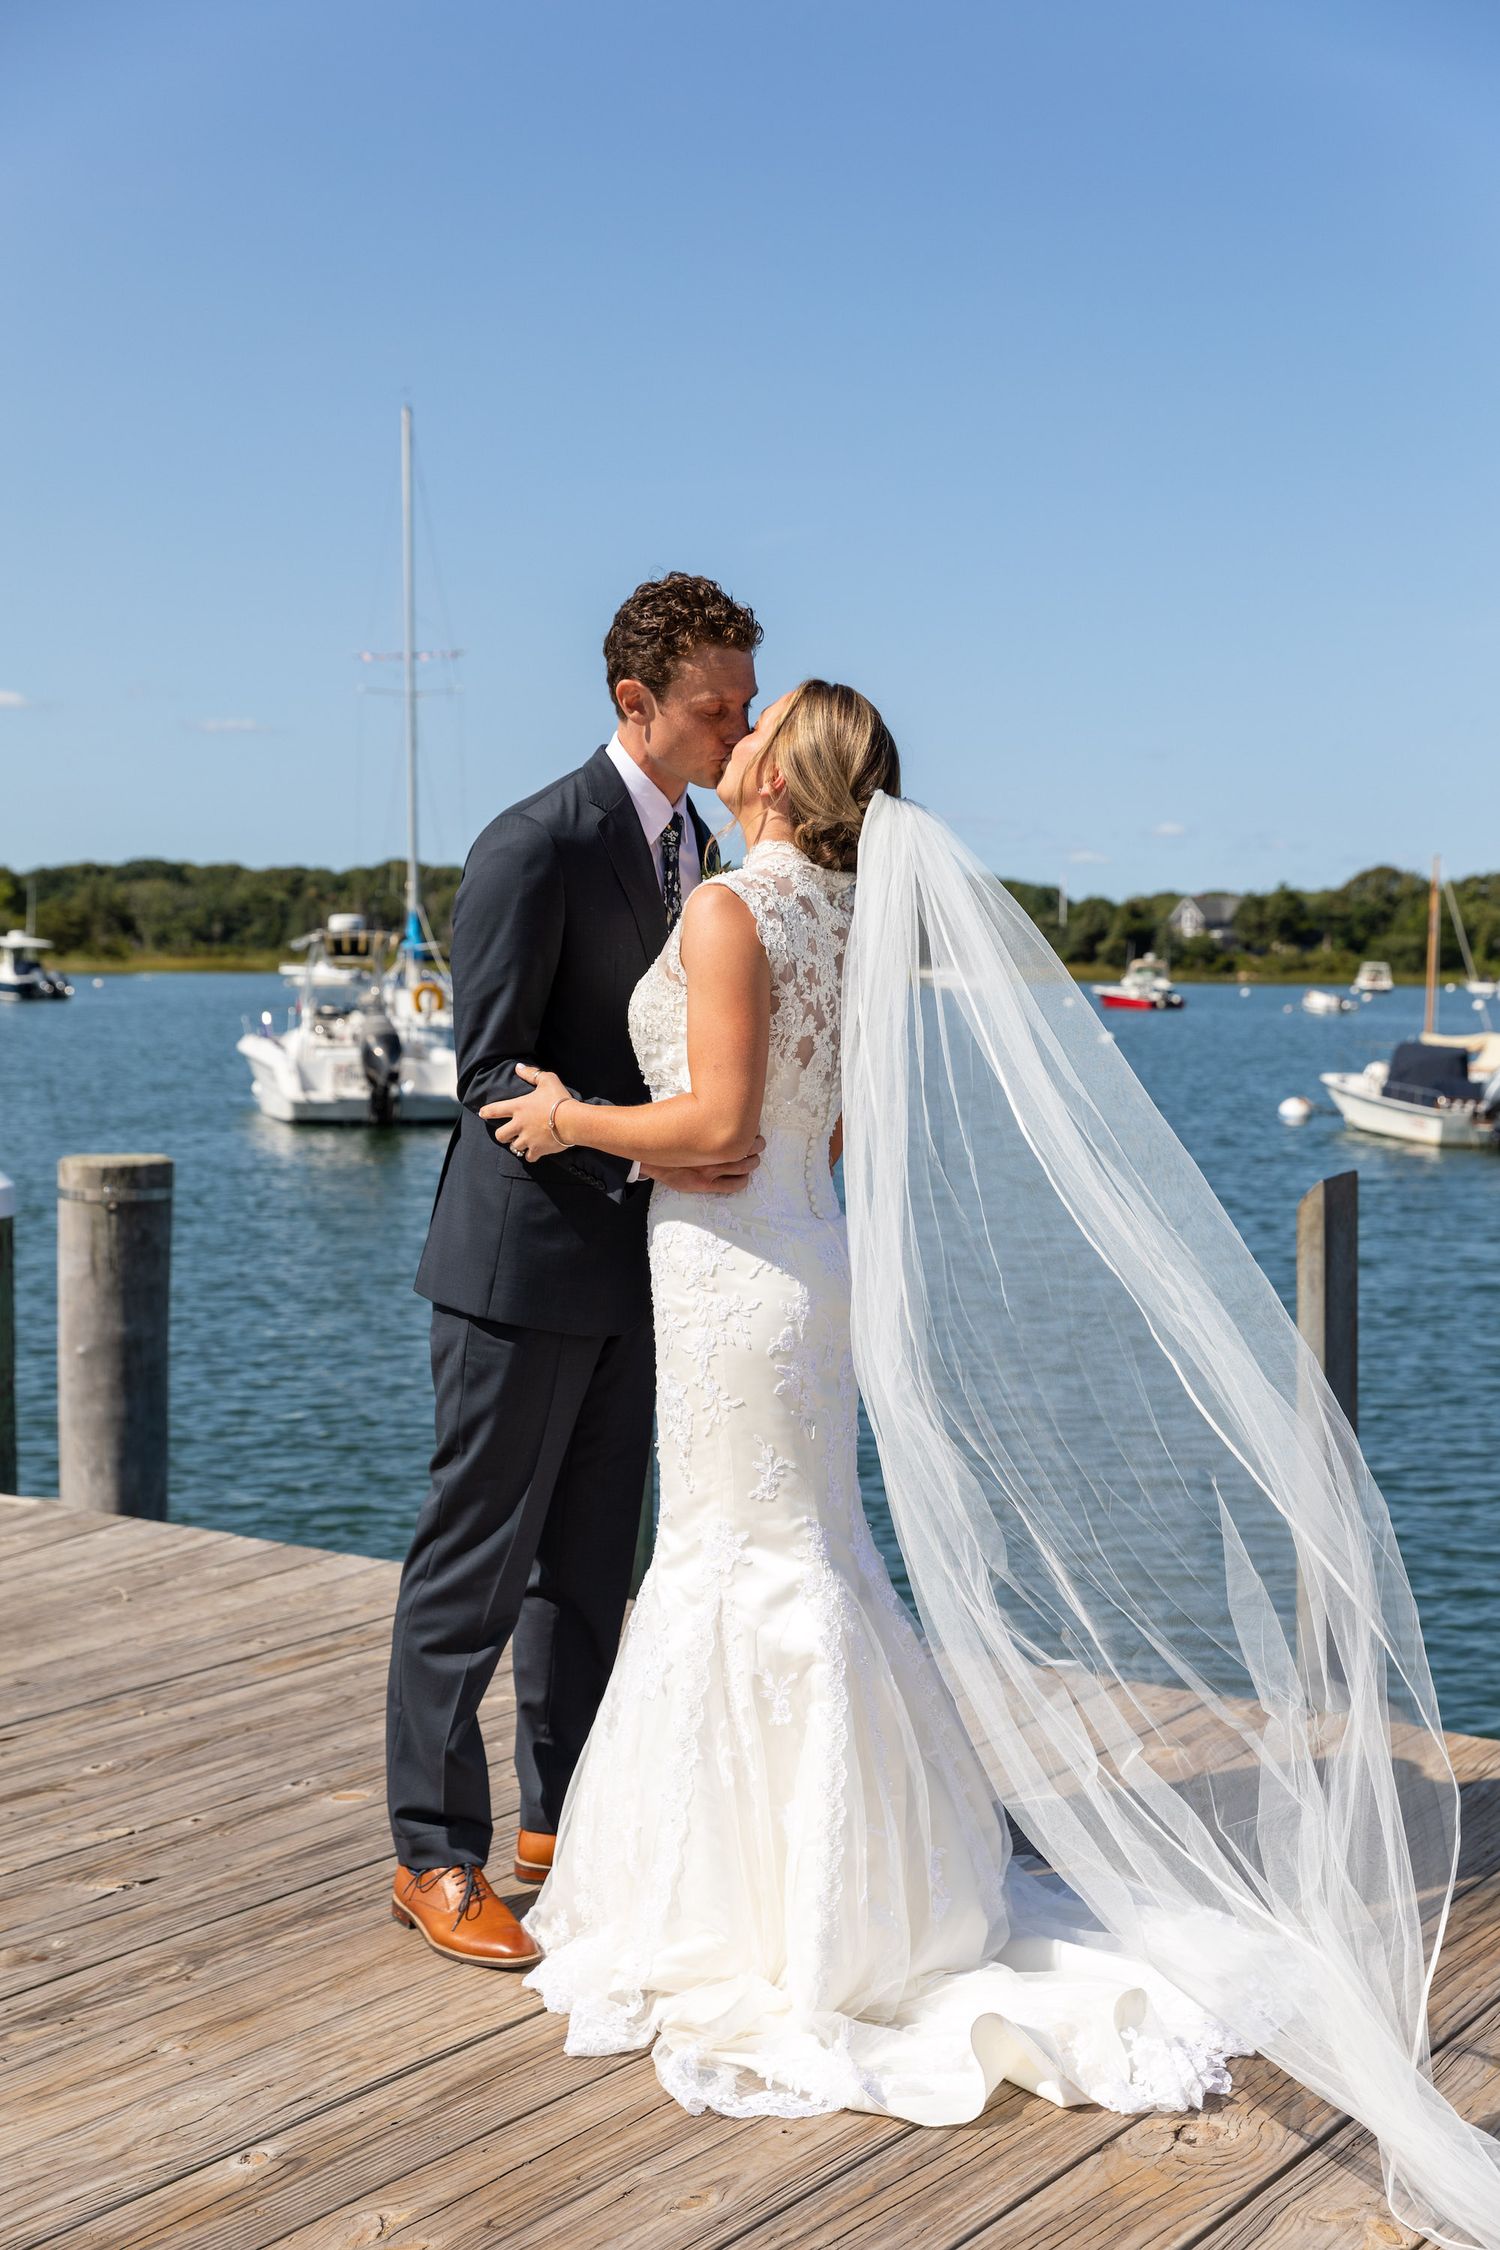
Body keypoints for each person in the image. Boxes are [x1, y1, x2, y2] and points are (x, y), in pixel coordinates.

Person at [486, 681, 1500, 2245]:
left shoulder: (741, 915)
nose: (737, 733)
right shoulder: (851, 915)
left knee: (744, 1561)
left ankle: (764, 1907)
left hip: (731, 1271)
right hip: (798, 1266)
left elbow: (727, 1129)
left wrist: (570, 1118)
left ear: (780, 773)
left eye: (763, 724)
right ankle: (850, 1868)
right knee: (802, 1551)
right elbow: (819, 1143)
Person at [385, 573, 764, 1969]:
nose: (740, 726)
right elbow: (486, 1075)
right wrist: (643, 1162)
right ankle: (433, 1849)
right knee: (473, 1566)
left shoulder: (704, 849)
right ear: (636, 704)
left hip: (640, 1274)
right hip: (518, 1267)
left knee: (591, 1567)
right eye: (717, 705)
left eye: (745, 700)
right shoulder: (534, 845)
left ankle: (565, 1818)